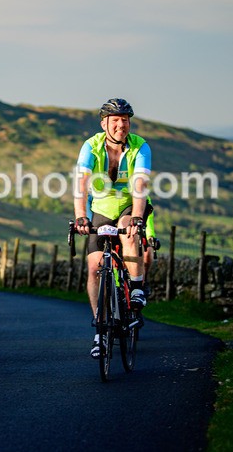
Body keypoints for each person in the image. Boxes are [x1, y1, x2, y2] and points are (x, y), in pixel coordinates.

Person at [73, 98, 152, 359]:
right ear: (104, 123)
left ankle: (137, 288)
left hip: (131, 205)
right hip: (102, 209)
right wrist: (81, 217)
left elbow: (140, 187)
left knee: (128, 232)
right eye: (116, 120)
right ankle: (99, 329)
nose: (121, 125)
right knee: (95, 267)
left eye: (125, 120)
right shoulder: (91, 147)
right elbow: (81, 186)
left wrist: (138, 218)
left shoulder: (140, 146)